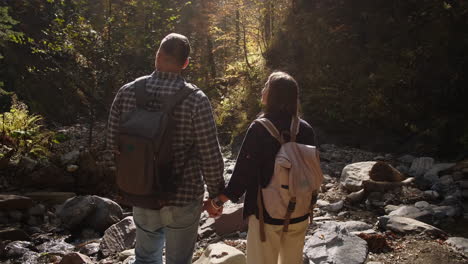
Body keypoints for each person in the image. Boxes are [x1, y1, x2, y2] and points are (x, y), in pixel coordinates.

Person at [107, 33, 225, 264]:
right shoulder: (196, 99)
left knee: (145, 258)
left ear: (157, 56)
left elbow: (112, 144)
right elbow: (209, 154)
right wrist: (216, 196)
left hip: (142, 192)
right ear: (185, 63)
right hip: (184, 196)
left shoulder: (128, 92)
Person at [206, 71, 317, 264]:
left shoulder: (259, 129)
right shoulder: (305, 129)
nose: (262, 89)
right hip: (300, 211)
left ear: (273, 94)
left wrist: (217, 202)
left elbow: (242, 176)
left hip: (266, 214)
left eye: (266, 85)